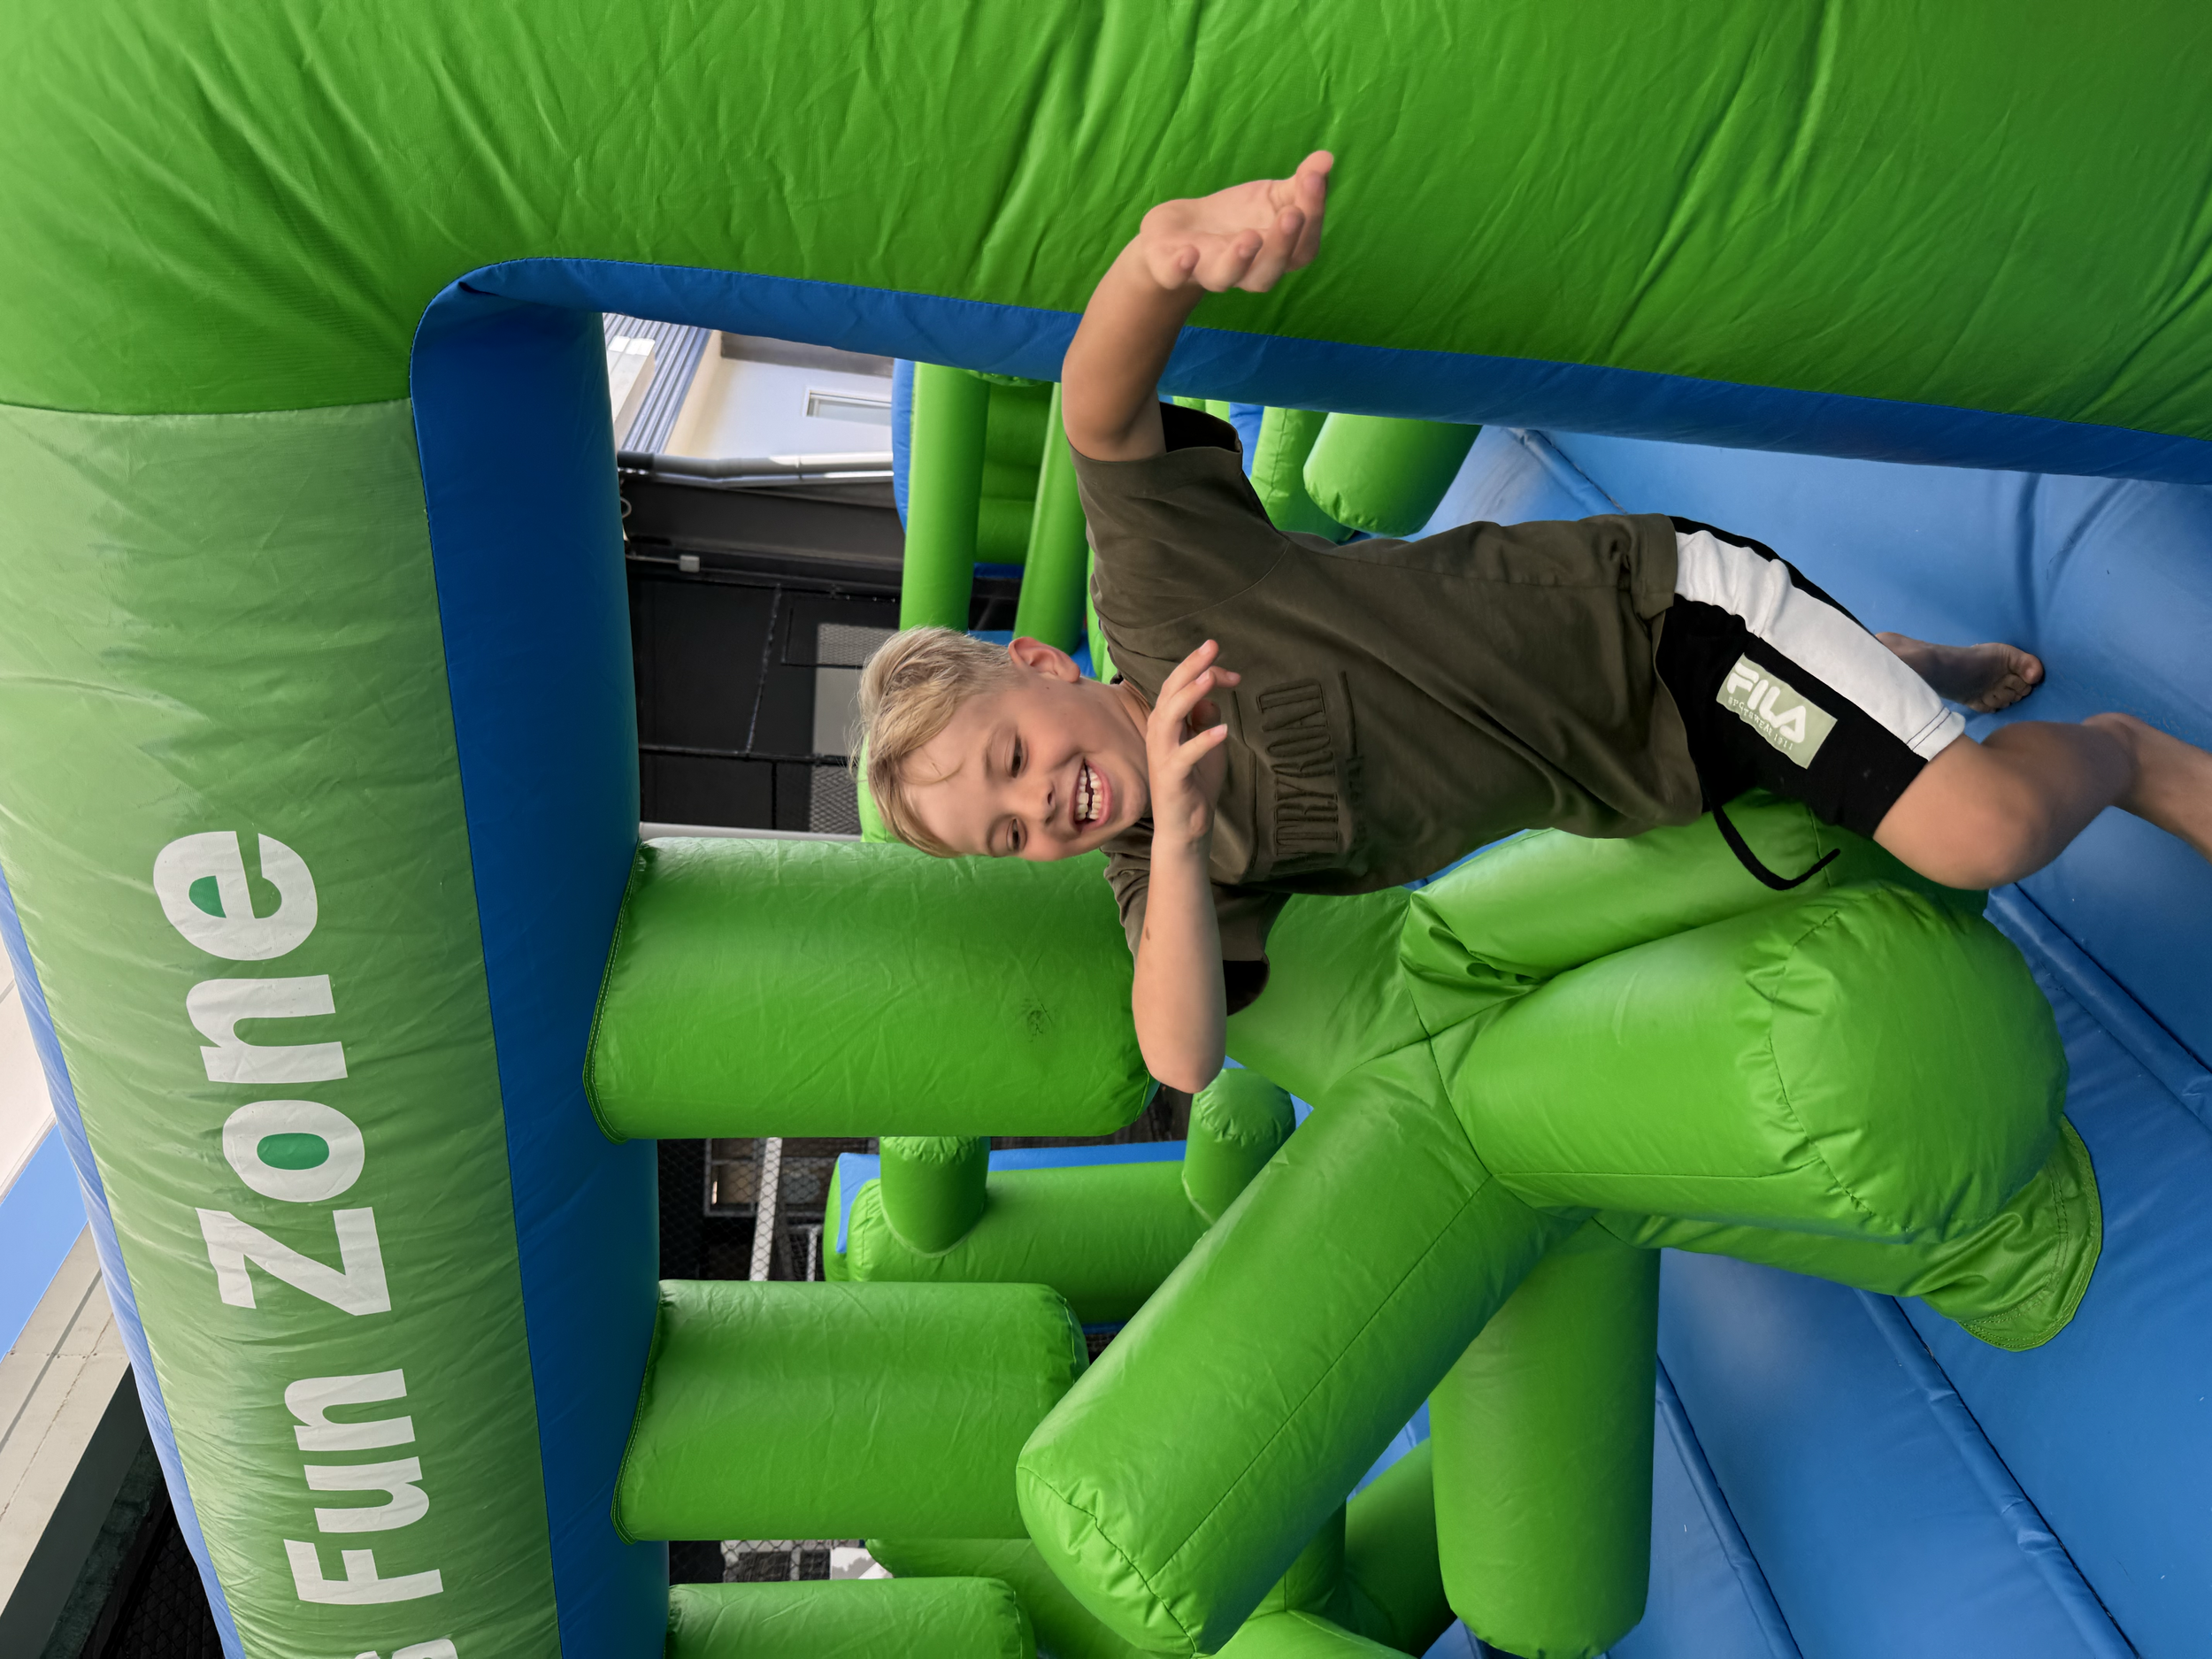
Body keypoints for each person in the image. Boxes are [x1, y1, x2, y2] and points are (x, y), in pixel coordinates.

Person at [858, 151, 2212, 1092]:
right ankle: (1901, 663)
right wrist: (1184, 836)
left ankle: (2123, 753)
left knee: (1979, 835)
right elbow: (1179, 1052)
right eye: (1013, 835)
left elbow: (1099, 416)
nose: (1045, 807)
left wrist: (1164, 258)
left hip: (1666, 631)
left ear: (1040, 665)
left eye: (1013, 762)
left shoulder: (1159, 600)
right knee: (1846, 730)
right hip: (1648, 773)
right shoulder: (1176, 876)